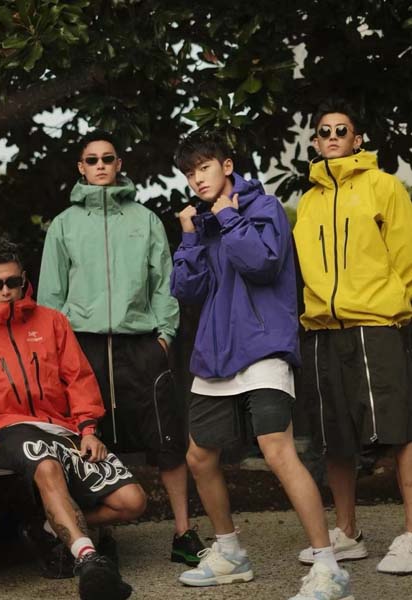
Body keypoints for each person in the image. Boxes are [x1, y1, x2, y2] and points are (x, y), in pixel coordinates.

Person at [170, 130, 353, 600]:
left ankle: (329, 568)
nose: (197, 179)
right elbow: (188, 291)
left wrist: (228, 216)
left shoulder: (264, 208)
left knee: (277, 450)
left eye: (204, 168)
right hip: (215, 355)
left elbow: (263, 264)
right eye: (190, 173)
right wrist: (190, 237)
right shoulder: (204, 223)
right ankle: (230, 553)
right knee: (198, 456)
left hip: (263, 347)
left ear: (227, 166)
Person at [0, 237, 146, 600]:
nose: (5, 291)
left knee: (133, 501)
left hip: (61, 429)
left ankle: (46, 525)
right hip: (6, 430)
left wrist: (87, 429)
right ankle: (89, 560)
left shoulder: (52, 322)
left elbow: (79, 378)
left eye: (12, 282)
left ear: (24, 280)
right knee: (47, 465)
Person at [37, 130, 203, 565]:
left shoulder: (145, 220)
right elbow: (50, 297)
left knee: (168, 441)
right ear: (81, 167)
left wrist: (164, 336)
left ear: (119, 164)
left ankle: (184, 533)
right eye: (92, 160)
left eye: (107, 158)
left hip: (141, 347)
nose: (100, 166)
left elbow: (164, 283)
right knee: (89, 443)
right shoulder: (64, 225)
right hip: (84, 348)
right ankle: (97, 534)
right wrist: (59, 351)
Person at [293, 98, 412, 575]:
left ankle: (411, 533)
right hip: (323, 329)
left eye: (341, 130)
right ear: (316, 142)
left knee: (399, 431)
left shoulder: (385, 187)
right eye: (324, 131)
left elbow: (405, 256)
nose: (333, 137)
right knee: (335, 437)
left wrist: (396, 308)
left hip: (376, 324)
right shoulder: (309, 200)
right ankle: (348, 533)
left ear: (357, 139)